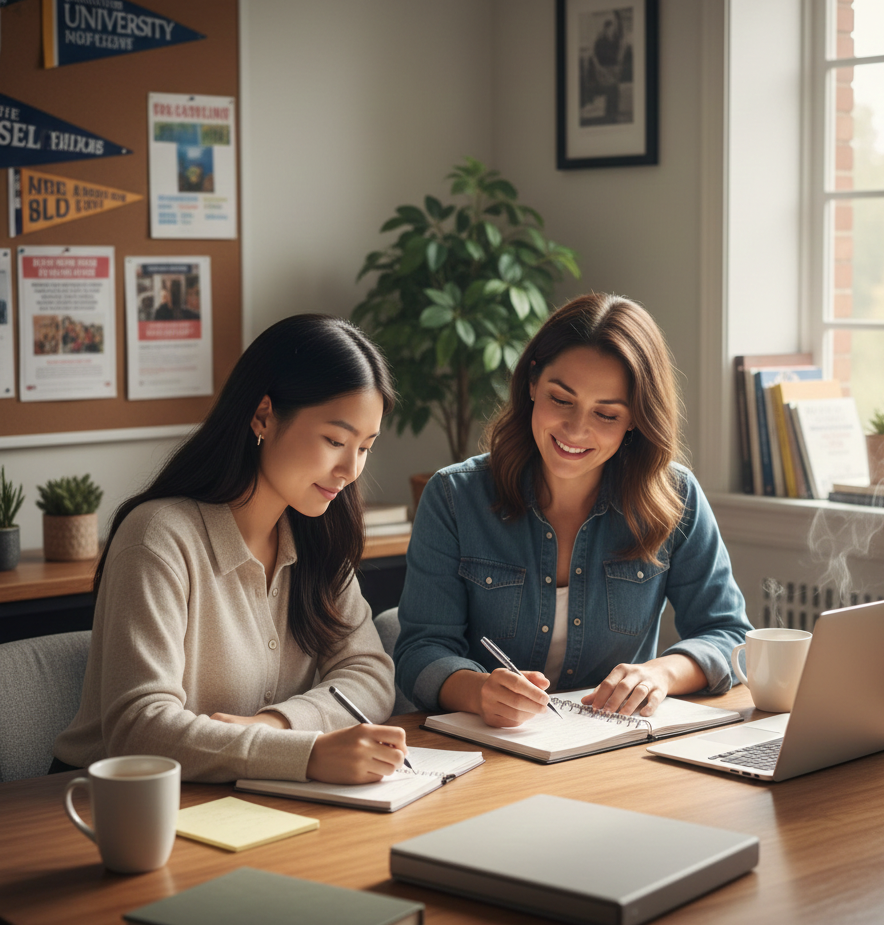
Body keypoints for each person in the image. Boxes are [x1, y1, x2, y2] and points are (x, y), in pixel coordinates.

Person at [53, 314, 408, 783]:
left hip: (246, 798)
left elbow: (368, 672)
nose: (349, 469)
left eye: (365, 447)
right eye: (335, 440)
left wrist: (278, 726)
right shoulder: (158, 538)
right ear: (263, 415)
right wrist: (305, 755)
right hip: (108, 807)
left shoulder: (318, 535)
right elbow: (139, 728)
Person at [394, 293, 752, 727]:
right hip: (486, 748)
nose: (576, 429)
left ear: (635, 418)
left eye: (606, 414)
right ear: (531, 383)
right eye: (561, 400)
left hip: (612, 752)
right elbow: (420, 651)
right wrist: (477, 690)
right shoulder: (454, 497)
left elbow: (731, 636)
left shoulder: (675, 497)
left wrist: (661, 673)